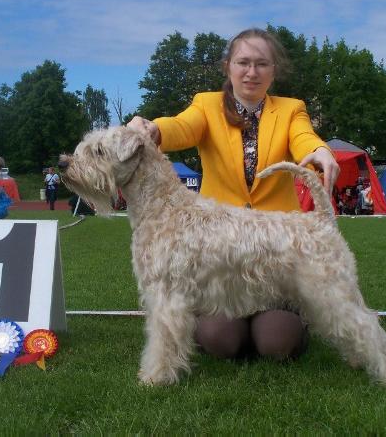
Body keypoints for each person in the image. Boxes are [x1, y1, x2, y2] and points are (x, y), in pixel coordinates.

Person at [128, 28, 340, 361]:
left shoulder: (291, 109)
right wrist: (156, 130)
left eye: (261, 64)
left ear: (274, 70)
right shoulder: (206, 105)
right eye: (243, 62)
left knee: (276, 343)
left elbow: (304, 137)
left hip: (275, 249)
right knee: (220, 340)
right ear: (228, 66)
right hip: (221, 253)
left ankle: (289, 319)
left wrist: (320, 151)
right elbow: (182, 126)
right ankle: (229, 325)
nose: (251, 72)